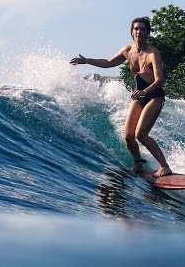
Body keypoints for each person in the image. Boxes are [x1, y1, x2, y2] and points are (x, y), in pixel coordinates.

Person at [70, 17, 174, 177]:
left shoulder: (153, 53)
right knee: (127, 135)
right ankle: (138, 164)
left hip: (154, 96)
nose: (139, 32)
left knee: (141, 134)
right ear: (132, 32)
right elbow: (108, 62)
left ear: (148, 33)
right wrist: (86, 61)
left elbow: (159, 80)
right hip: (139, 95)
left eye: (143, 29)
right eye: (136, 29)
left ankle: (164, 167)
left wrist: (145, 92)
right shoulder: (127, 51)